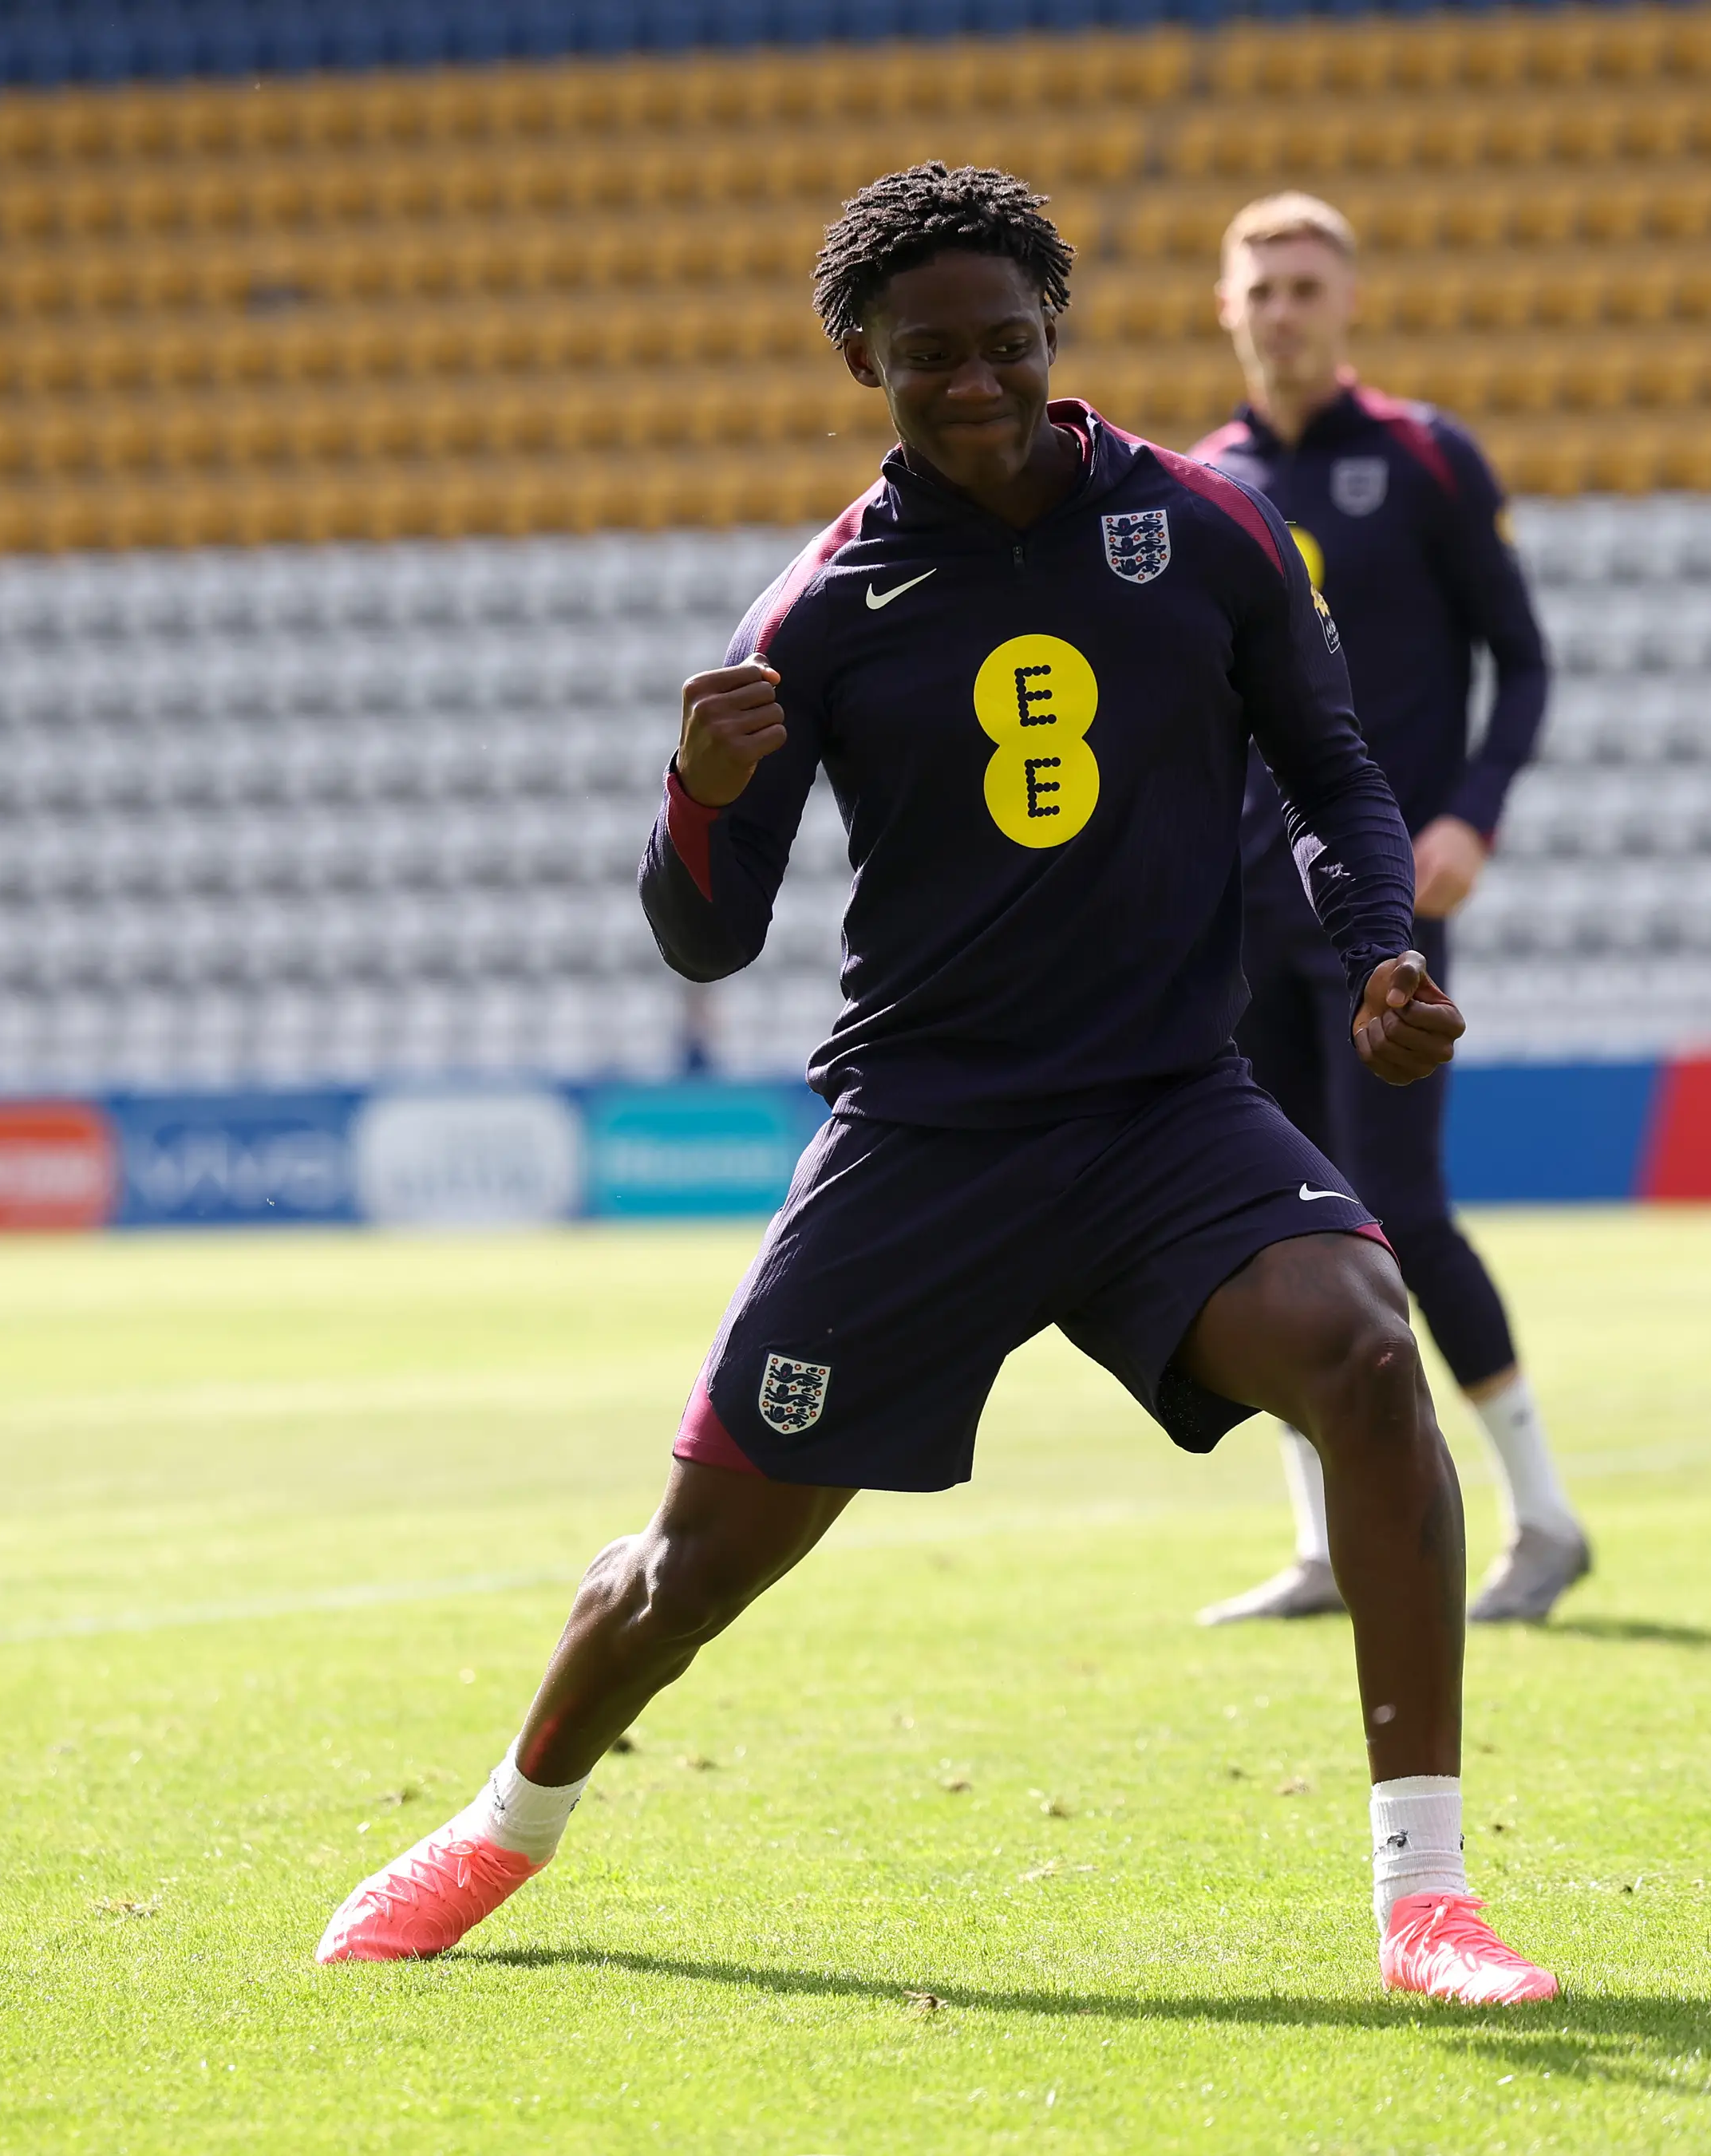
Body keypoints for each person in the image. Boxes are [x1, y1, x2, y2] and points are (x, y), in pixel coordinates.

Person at [314, 164, 1558, 2006]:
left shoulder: (1204, 531)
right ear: (858, 360)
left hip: (1163, 1113)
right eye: (926, 357)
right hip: (926, 1140)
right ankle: (503, 1823)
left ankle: (1425, 1900)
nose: (971, 382)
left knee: (1368, 1351)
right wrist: (697, 793)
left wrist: (1378, 940)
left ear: (1056, 338)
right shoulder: (814, 611)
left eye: (1004, 343)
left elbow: (1336, 766)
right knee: (686, 1572)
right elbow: (707, 941)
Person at [1187, 193, 1591, 1631]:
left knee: (1401, 1208)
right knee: (1271, 1230)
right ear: (1225, 307)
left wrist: (1470, 814)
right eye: (1263, 288)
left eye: (1308, 286)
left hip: (1381, 912)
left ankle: (1544, 1517)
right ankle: (1317, 1543)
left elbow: (1524, 661)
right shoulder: (1206, 485)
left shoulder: (1425, 458)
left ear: (1349, 304)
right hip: (1239, 920)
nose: (1284, 309)